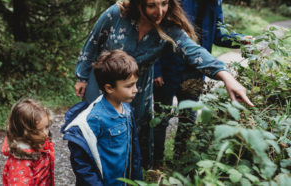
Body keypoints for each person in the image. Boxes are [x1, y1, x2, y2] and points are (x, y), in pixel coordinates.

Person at [74, 0, 254, 169]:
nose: (159, 12)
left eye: (164, 3)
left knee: (129, 139)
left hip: (136, 91)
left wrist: (227, 77)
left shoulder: (169, 29)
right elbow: (92, 43)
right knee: (94, 135)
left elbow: (195, 52)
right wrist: (81, 76)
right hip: (101, 85)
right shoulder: (116, 14)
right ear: (139, 4)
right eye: (152, 5)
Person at [152, 0, 253, 168]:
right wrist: (156, 69)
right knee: (161, 116)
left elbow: (218, 33)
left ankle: (179, 161)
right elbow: (158, 27)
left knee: (189, 117)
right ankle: (156, 163)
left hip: (197, 69)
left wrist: (240, 39)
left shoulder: (216, 2)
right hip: (168, 66)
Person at [63, 50, 142, 185]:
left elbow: (133, 150)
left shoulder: (127, 110)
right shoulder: (94, 119)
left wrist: (137, 180)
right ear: (109, 88)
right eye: (129, 86)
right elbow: (81, 162)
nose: (135, 89)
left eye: (135, 83)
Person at [2, 98, 54, 186]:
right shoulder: (21, 164)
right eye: (39, 131)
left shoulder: (39, 142)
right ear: (24, 133)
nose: (46, 133)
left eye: (47, 127)